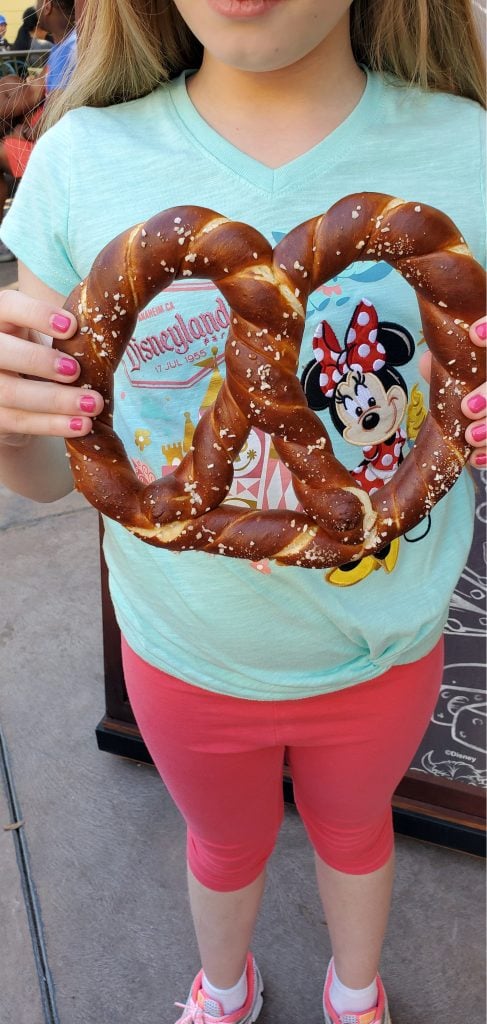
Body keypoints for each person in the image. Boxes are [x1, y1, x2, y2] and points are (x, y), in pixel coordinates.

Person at [0, 2, 485, 1023]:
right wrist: (10, 426)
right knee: (220, 842)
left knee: (359, 831)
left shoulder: (468, 151)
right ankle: (225, 986)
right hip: (184, 652)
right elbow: (53, 475)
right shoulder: (81, 162)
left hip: (381, 647)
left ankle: (355, 991)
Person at [0, 0, 75, 261]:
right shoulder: (64, 46)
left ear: (49, 6)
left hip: (55, 149)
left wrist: (24, 131)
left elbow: (55, 119)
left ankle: (9, 240)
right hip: (53, 141)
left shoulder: (67, 50)